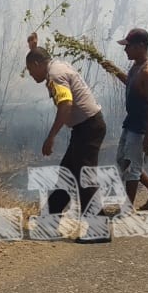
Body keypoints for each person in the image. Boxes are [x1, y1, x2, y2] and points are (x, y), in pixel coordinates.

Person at [25, 33, 107, 241]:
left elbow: (66, 104)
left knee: (83, 177)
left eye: (30, 70)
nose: (31, 75)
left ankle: (99, 230)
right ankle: (47, 224)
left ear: (37, 64)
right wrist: (34, 47)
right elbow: (41, 57)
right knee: (66, 176)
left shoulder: (55, 75)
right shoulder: (56, 65)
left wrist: (51, 136)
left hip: (88, 127)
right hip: (86, 127)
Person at [106, 28, 148, 210]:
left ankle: (127, 208)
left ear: (140, 46)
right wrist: (113, 70)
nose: (125, 50)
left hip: (141, 124)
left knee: (132, 166)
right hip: (131, 121)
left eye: (128, 46)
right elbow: (132, 83)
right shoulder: (136, 67)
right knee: (122, 160)